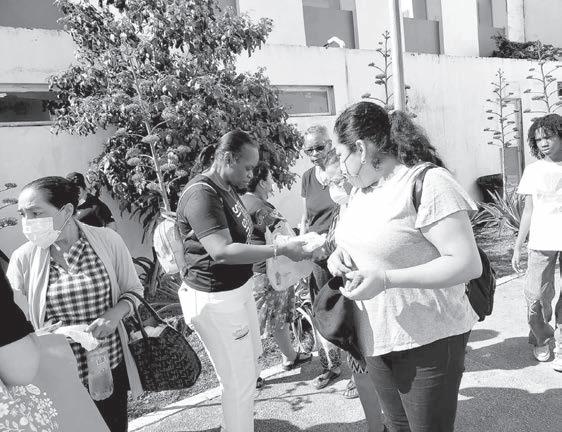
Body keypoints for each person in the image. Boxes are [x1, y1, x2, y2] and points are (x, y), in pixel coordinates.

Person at [328, 101, 482, 432]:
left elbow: (467, 263)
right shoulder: (360, 193)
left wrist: (386, 279)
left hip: (429, 338)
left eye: (341, 156)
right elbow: (364, 241)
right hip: (377, 336)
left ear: (360, 149)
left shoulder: (428, 182)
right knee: (397, 427)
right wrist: (338, 255)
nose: (340, 167)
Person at [176, 130, 310, 432]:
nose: (251, 175)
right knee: (238, 384)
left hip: (238, 291)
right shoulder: (202, 194)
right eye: (247, 168)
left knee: (249, 371)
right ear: (227, 158)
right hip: (217, 299)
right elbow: (221, 251)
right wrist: (279, 249)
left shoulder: (226, 187)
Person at [7, 176, 144, 432]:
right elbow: (12, 319)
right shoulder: (23, 259)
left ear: (67, 210)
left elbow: (134, 291)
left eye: (36, 213)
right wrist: (41, 332)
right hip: (59, 374)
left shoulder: (107, 241)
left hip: (108, 365)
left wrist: (115, 314)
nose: (28, 222)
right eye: (23, 214)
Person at [322, 149, 386, 432]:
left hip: (381, 302)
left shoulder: (376, 201)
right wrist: (334, 257)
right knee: (360, 368)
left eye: (339, 180)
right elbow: (337, 246)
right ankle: (376, 427)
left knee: (386, 369)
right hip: (355, 303)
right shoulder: (345, 208)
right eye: (331, 183)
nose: (336, 187)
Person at [241, 162, 313, 372]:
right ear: (262, 183)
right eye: (270, 177)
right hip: (270, 271)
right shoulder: (261, 208)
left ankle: (287, 357)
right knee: (272, 320)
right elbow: (283, 237)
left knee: (269, 320)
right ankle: (273, 364)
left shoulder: (242, 202)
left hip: (254, 270)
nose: (273, 181)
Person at [512, 113, 562, 371]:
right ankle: (542, 336)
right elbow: (528, 210)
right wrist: (518, 245)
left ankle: (561, 342)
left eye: (548, 137)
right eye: (539, 139)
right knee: (536, 295)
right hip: (541, 240)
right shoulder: (533, 170)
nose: (543, 143)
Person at [300, 125, 344, 390]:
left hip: (342, 252)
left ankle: (360, 370)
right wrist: (302, 241)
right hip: (317, 254)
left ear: (330, 144)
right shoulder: (307, 177)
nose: (315, 153)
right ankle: (331, 366)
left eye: (319, 147)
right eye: (309, 149)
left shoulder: (341, 170)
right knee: (322, 308)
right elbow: (306, 216)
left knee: (349, 307)